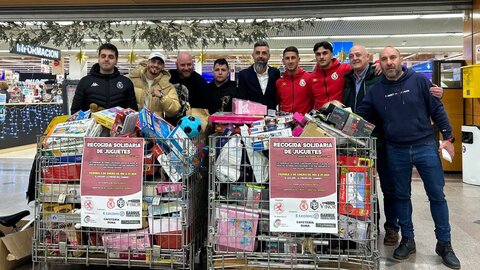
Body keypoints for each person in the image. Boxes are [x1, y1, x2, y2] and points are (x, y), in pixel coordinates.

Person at [356, 46, 460, 269]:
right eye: (384, 59)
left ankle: (444, 243)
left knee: (437, 196)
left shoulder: (420, 81)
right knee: (401, 196)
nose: (389, 62)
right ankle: (408, 239)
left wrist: (449, 138)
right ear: (379, 64)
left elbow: (437, 110)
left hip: (425, 146)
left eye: (393, 58)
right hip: (396, 149)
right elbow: (360, 117)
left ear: (400, 59)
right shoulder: (375, 91)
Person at [343, 45, 444, 247]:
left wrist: (435, 92)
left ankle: (392, 227)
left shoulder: (378, 76)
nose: (355, 58)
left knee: (390, 188)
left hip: (384, 141)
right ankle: (367, 226)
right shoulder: (348, 79)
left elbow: (410, 86)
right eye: (351, 56)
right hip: (357, 142)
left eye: (358, 55)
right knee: (359, 187)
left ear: (369, 58)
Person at [70, 43, 137, 114]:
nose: (106, 59)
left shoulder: (126, 82)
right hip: (92, 123)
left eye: (111, 57)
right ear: (98, 59)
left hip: (119, 124)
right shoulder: (85, 82)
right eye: (103, 56)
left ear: (116, 60)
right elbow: (75, 111)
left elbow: (133, 111)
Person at [128, 52, 180, 117]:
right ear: (148, 62)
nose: (156, 65)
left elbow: (175, 109)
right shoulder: (132, 79)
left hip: (156, 125)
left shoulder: (167, 86)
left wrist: (162, 96)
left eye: (159, 63)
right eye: (153, 61)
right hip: (134, 122)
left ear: (163, 66)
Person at [238, 40, 280, 110]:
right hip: (252, 117)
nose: (260, 56)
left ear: (269, 56)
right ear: (253, 55)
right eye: (257, 53)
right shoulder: (243, 75)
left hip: (271, 118)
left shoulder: (275, 73)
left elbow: (277, 97)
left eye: (264, 53)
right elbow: (242, 100)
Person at [310, 41, 352, 110]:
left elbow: (361, 68)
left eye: (325, 53)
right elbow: (309, 102)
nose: (321, 57)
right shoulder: (311, 77)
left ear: (332, 55)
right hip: (319, 117)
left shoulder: (343, 69)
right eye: (318, 54)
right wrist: (298, 118)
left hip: (340, 115)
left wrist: (376, 64)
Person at [275, 46, 313, 114]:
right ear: (283, 61)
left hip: (304, 122)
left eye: (293, 58)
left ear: (298, 59)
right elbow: (278, 102)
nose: (290, 61)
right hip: (286, 122)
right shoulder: (279, 82)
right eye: (287, 58)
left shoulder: (309, 78)